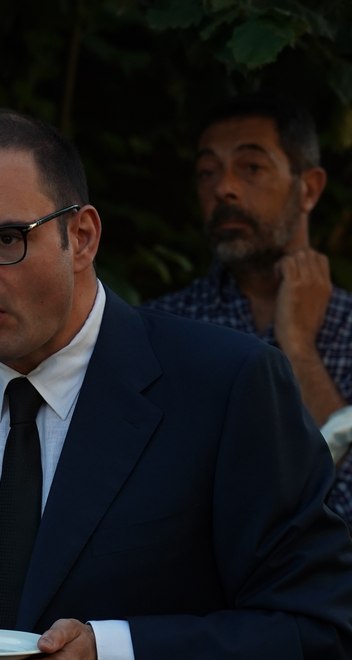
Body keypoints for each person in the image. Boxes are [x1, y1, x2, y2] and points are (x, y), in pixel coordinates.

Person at [0, 108, 352, 660]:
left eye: (5, 238)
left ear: (81, 238)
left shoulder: (226, 385)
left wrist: (110, 656)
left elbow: (318, 640)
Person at [145, 93, 352, 522]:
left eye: (251, 167)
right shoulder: (158, 332)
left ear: (309, 188)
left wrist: (298, 347)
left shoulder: (348, 326)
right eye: (207, 172)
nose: (224, 188)